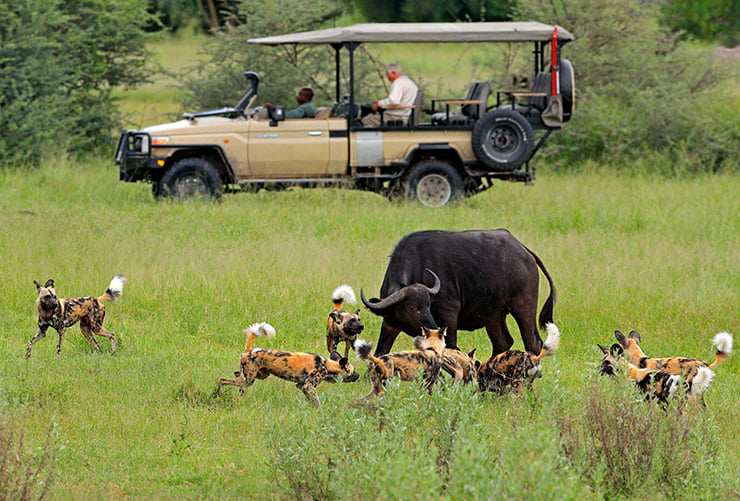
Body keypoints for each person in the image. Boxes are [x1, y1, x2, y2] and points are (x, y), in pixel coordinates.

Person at [361, 63, 418, 127]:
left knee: (367, 120)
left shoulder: (398, 82)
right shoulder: (410, 82)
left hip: (395, 116)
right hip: (404, 115)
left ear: (393, 73)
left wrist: (378, 103)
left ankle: (374, 137)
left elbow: (394, 101)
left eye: (388, 76)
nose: (388, 79)